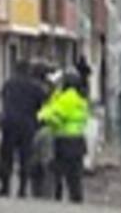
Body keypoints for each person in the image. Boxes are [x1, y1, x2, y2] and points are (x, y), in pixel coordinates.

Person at [38, 68, 90, 203]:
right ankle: (76, 199)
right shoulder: (80, 98)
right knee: (75, 176)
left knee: (57, 172)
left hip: (64, 140)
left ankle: (57, 199)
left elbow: (54, 113)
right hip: (78, 140)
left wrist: (42, 117)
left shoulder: (67, 98)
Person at [0, 61, 46, 198]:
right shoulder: (35, 87)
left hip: (9, 123)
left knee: (6, 156)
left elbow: (4, 100)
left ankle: (5, 187)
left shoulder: (8, 84)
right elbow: (42, 105)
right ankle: (22, 188)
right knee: (25, 156)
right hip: (27, 125)